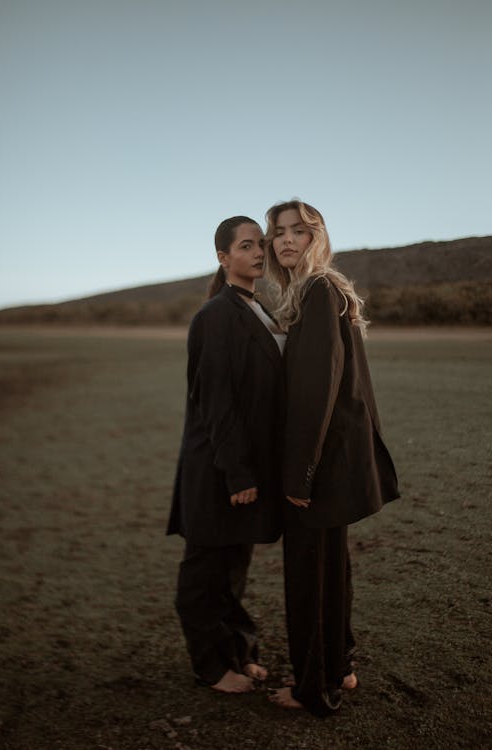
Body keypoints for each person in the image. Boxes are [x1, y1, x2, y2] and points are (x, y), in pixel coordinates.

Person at [264, 200, 399, 716]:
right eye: (279, 232)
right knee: (331, 570)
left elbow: (317, 393)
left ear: (317, 236)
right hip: (336, 463)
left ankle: (312, 688)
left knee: (309, 575)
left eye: (299, 230)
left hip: (319, 468)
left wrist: (300, 474)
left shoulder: (319, 291)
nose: (286, 240)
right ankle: (339, 668)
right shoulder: (322, 291)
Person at [167, 216, 285, 694]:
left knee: (234, 570)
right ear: (223, 257)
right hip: (217, 468)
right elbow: (216, 402)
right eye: (245, 246)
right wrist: (237, 473)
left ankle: (240, 653)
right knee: (204, 574)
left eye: (261, 244)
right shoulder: (215, 315)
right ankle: (211, 668)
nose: (258, 252)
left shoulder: (258, 308)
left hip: (247, 466)